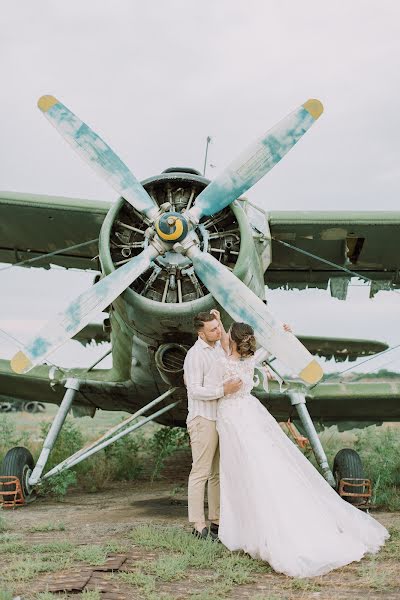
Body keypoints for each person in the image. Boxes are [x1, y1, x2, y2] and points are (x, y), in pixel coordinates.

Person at [207, 316, 389, 578]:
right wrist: (282, 333)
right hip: (249, 413)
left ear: (232, 341)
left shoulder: (223, 362)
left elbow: (212, 384)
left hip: (232, 418)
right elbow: (263, 351)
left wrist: (221, 382)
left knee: (241, 470)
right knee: (261, 466)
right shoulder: (249, 361)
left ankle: (249, 527)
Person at [183, 310, 242, 541]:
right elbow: (194, 390)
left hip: (221, 419)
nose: (219, 332)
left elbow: (245, 356)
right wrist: (223, 391)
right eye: (213, 329)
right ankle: (198, 525)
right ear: (201, 332)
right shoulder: (195, 355)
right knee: (201, 472)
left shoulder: (219, 347)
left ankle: (216, 521)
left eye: (218, 327)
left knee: (217, 472)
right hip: (203, 418)